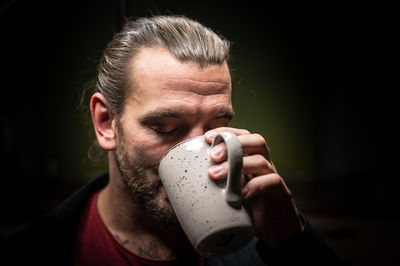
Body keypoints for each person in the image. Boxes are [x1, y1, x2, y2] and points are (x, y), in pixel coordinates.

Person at [5, 15, 348, 265]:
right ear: (106, 122)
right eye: (166, 128)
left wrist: (294, 244)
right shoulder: (40, 250)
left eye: (217, 124)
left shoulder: (263, 244)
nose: (200, 152)